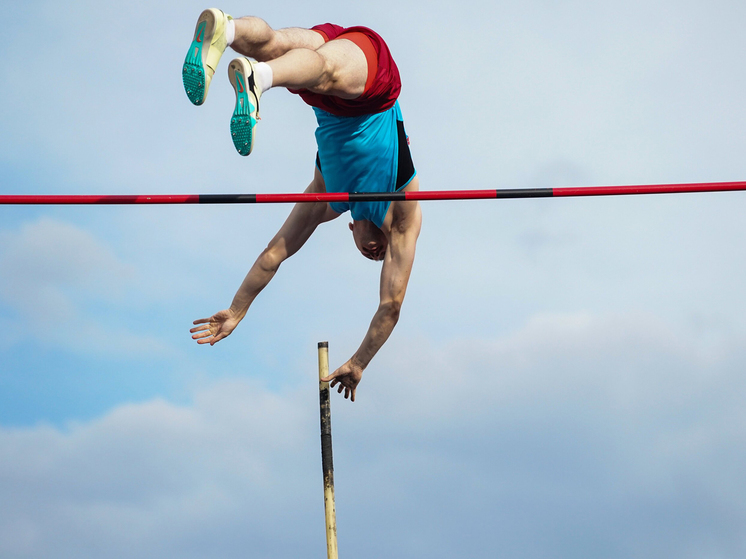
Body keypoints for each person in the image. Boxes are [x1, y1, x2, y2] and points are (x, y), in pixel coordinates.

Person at [186, 9, 421, 402]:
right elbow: (391, 305)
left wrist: (237, 309)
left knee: (274, 45)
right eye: (381, 256)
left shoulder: (324, 196)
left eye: (373, 258)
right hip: (372, 81)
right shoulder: (400, 217)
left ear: (349, 229)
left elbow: (274, 253)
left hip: (325, 89)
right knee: (326, 69)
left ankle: (225, 31)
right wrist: (361, 362)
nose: (379, 255)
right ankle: (257, 80)